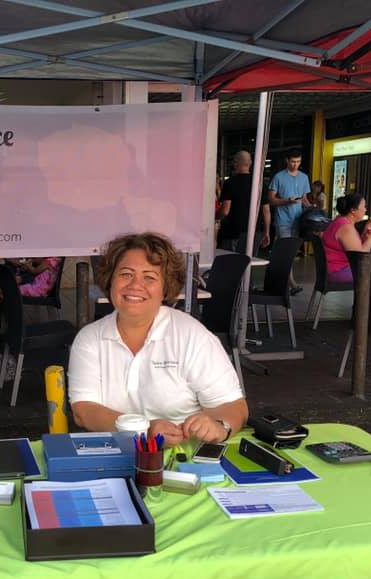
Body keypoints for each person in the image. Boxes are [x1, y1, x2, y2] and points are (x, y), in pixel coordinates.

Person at [68, 232, 248, 447]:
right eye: (126, 274)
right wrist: (144, 430)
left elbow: (233, 405)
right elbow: (84, 410)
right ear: (110, 281)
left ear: (165, 288)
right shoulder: (89, 339)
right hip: (113, 453)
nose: (136, 285)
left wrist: (220, 426)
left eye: (149, 277)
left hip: (184, 456)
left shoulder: (192, 335)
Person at [322, 193, 371, 284]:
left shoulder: (340, 220)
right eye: (364, 206)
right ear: (353, 210)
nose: (365, 210)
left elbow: (354, 247)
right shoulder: (346, 228)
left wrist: (365, 232)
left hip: (332, 269)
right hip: (338, 271)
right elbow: (360, 258)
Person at [267, 149, 311, 241]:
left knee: (294, 247)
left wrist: (312, 208)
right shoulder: (278, 177)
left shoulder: (304, 177)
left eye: (298, 161)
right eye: (293, 162)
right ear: (287, 160)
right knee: (284, 247)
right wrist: (287, 201)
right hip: (283, 221)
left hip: (298, 220)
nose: (296, 165)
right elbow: (271, 200)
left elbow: (304, 199)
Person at [216, 150, 254, 253]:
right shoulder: (258, 183)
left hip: (232, 232)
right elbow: (266, 209)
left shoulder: (230, 183)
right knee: (248, 261)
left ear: (236, 163)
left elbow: (225, 211)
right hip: (253, 232)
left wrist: (213, 217)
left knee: (229, 261)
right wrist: (266, 231)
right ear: (250, 163)